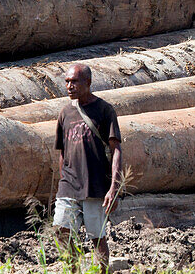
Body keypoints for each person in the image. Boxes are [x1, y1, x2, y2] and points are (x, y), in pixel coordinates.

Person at [53, 63, 123, 273]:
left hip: (96, 186)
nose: (69, 86)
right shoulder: (65, 113)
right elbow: (62, 152)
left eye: (74, 81)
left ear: (88, 83)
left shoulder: (104, 110)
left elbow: (116, 149)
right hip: (69, 186)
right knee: (60, 231)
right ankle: (74, 269)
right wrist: (63, 181)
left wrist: (114, 188)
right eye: (67, 82)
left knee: (97, 238)